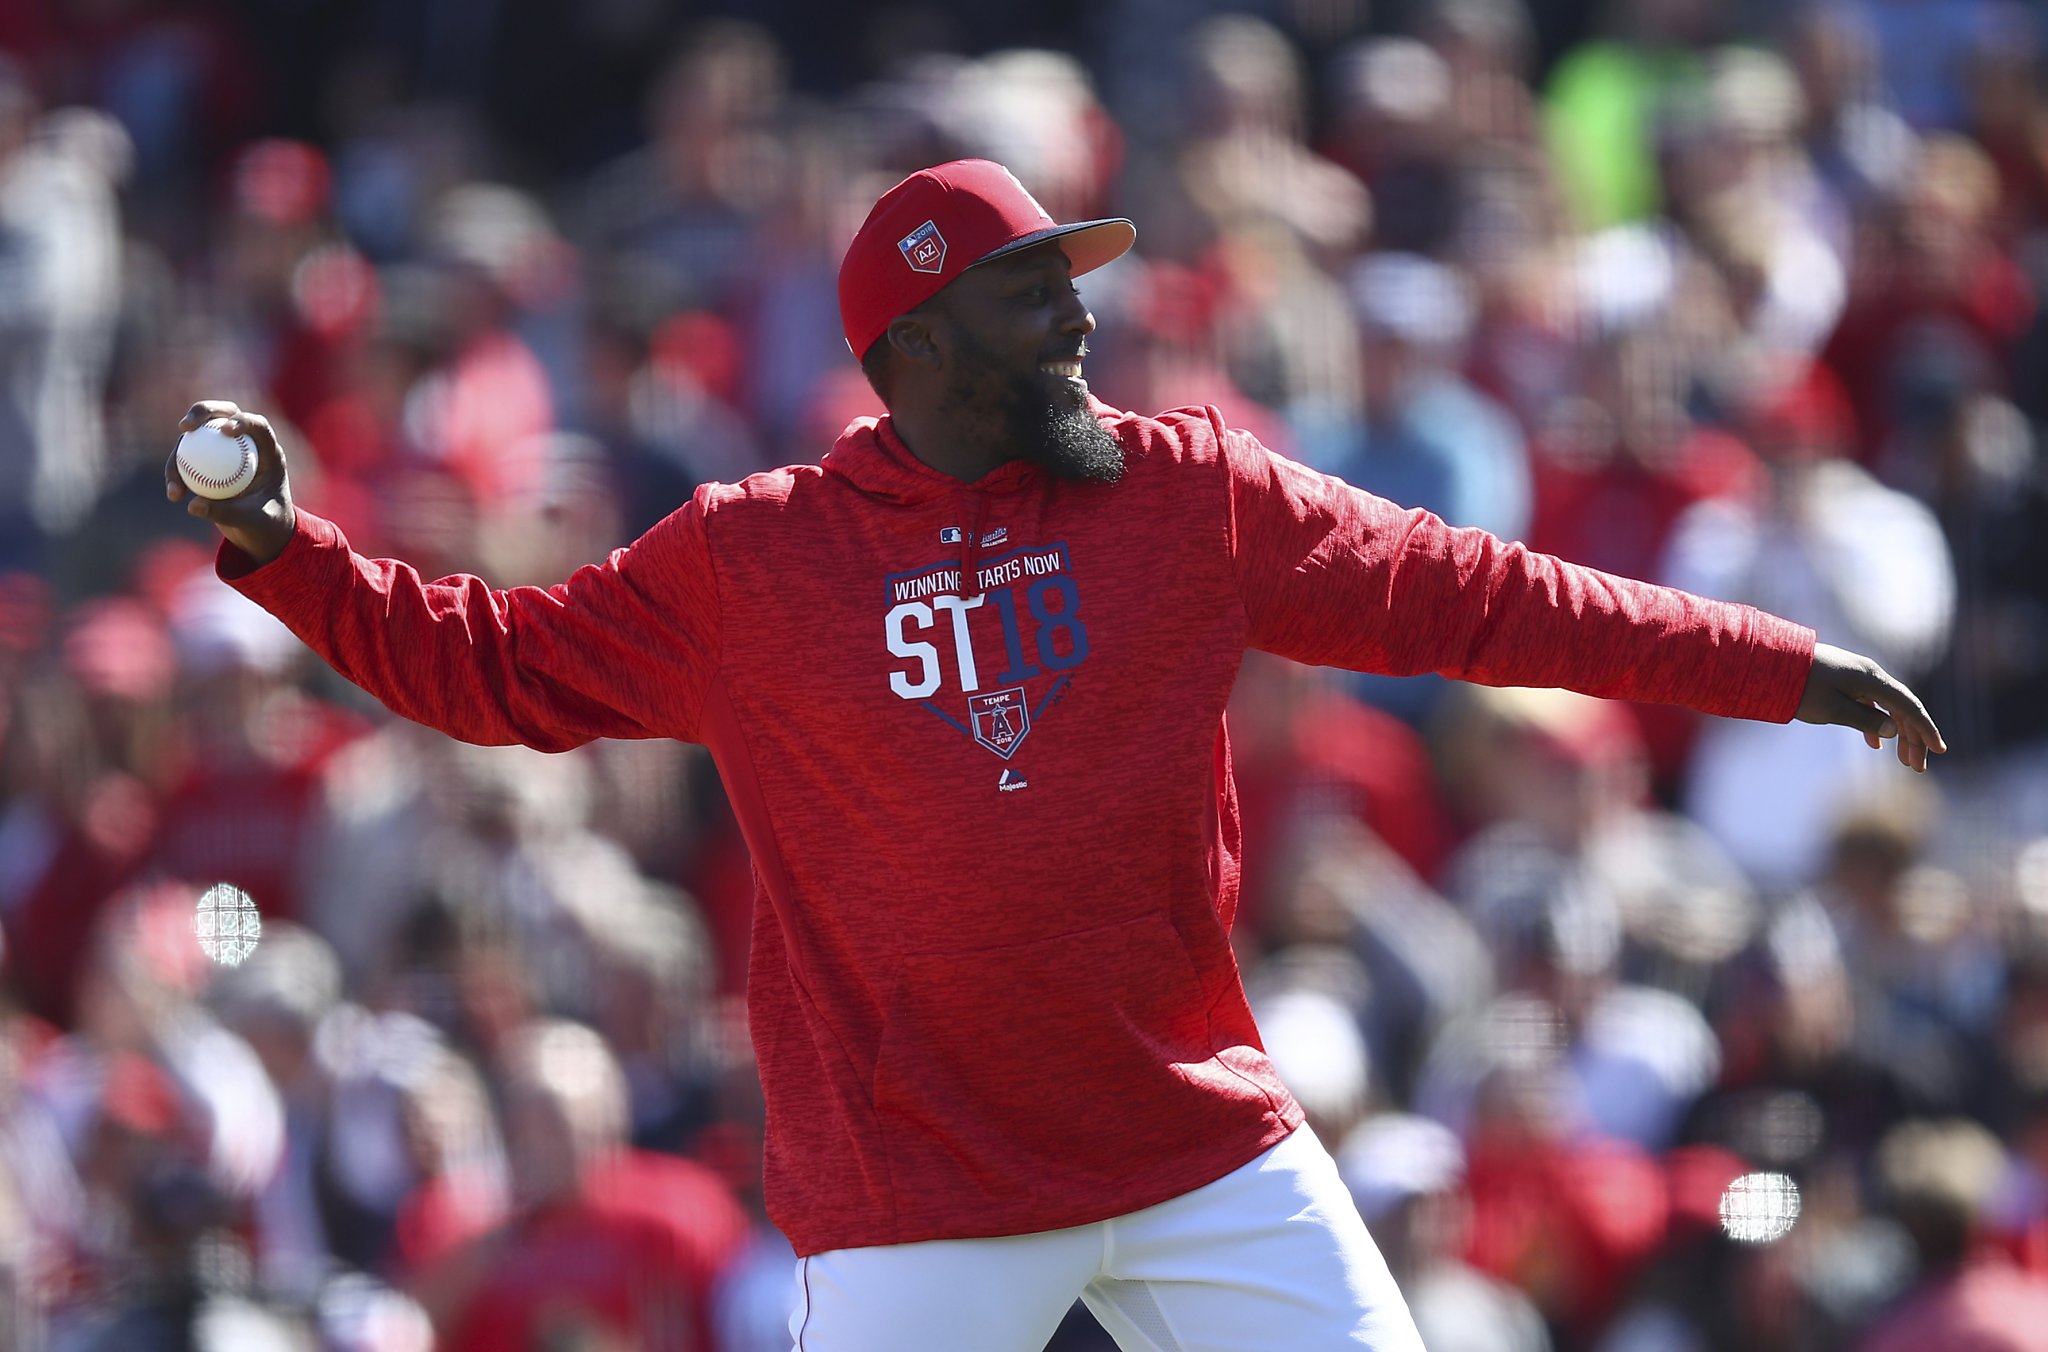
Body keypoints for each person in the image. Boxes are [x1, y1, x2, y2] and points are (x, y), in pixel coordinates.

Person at [167, 158, 1944, 1351]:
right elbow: (488, 670)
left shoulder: (1189, 493)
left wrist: (1786, 667)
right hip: (919, 1196)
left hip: (1194, 1141)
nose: (1083, 325)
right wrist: (277, 548)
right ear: (917, 345)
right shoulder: (754, 556)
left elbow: (1481, 598)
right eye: (1033, 299)